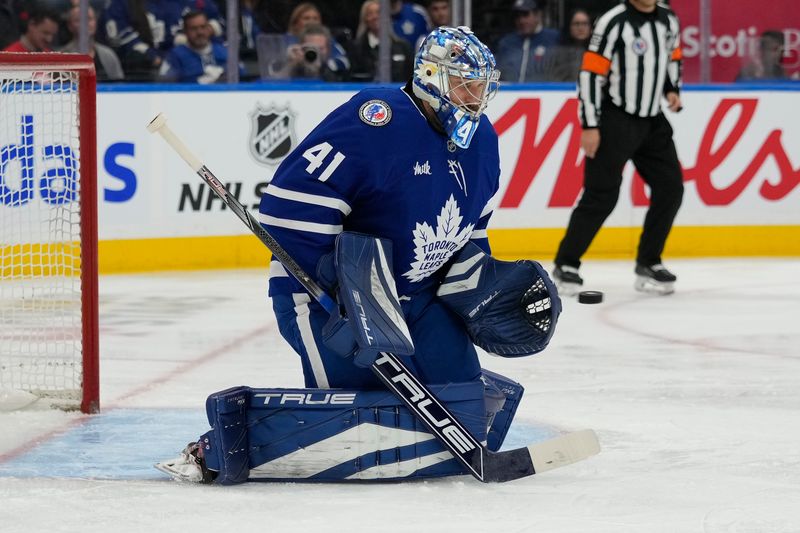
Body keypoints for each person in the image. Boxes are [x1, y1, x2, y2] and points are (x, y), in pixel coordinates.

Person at [156, 26, 561, 484]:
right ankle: (213, 449)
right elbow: (289, 205)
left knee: (463, 403)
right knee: (362, 420)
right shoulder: (379, 120)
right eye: (465, 83)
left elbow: (472, 231)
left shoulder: (482, 140)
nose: (476, 96)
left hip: (418, 295)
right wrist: (345, 297)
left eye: (483, 85)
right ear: (431, 76)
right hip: (330, 299)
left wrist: (477, 289)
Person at [553, 0, 685, 295]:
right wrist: (589, 124)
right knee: (601, 195)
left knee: (671, 188)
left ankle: (649, 262)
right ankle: (566, 264)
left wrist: (672, 88)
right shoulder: (613, 22)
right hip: (616, 119)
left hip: (653, 121)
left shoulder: (668, 19)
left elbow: (672, 55)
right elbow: (590, 74)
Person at [100, 0, 224, 81]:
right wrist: (154, 57)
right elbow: (120, 36)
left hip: (192, 61)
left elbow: (221, 22)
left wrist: (204, 30)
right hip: (146, 72)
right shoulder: (124, 3)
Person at [158, 11, 235, 83]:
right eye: (194, 29)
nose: (200, 32)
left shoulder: (224, 52)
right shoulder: (175, 56)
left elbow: (242, 80)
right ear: (185, 31)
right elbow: (165, 87)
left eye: (203, 27)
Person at [348, 0, 413, 82]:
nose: (375, 17)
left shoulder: (403, 47)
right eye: (370, 14)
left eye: (379, 12)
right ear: (365, 19)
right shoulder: (356, 48)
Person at [495, 0, 559, 83]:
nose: (521, 21)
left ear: (537, 16)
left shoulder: (553, 39)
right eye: (517, 16)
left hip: (543, 93)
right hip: (510, 94)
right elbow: (498, 73)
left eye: (526, 15)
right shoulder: (507, 43)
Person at [60, 5, 125, 82]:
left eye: (89, 19)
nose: (85, 24)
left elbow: (119, 85)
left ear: (95, 23)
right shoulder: (62, 57)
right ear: (70, 26)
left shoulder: (108, 55)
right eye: (78, 20)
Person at [544, 8, 591, 82]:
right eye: (576, 24)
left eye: (584, 24)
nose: (580, 28)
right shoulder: (558, 54)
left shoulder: (598, 53)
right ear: (569, 27)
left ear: (590, 28)